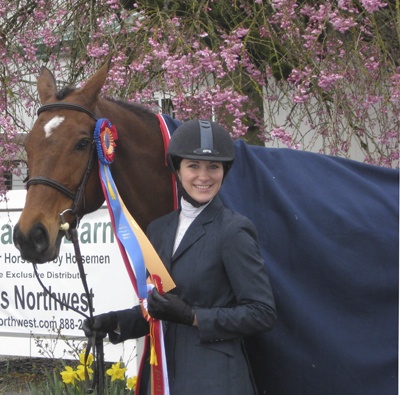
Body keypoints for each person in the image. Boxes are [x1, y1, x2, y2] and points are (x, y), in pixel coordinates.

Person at [82, 119, 276, 395]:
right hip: (164, 377)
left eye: (213, 167)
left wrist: (193, 317)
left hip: (216, 382)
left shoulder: (233, 230)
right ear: (177, 169)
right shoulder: (160, 229)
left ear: (224, 171)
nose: (203, 176)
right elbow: (159, 308)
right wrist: (114, 321)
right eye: (193, 166)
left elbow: (262, 313)